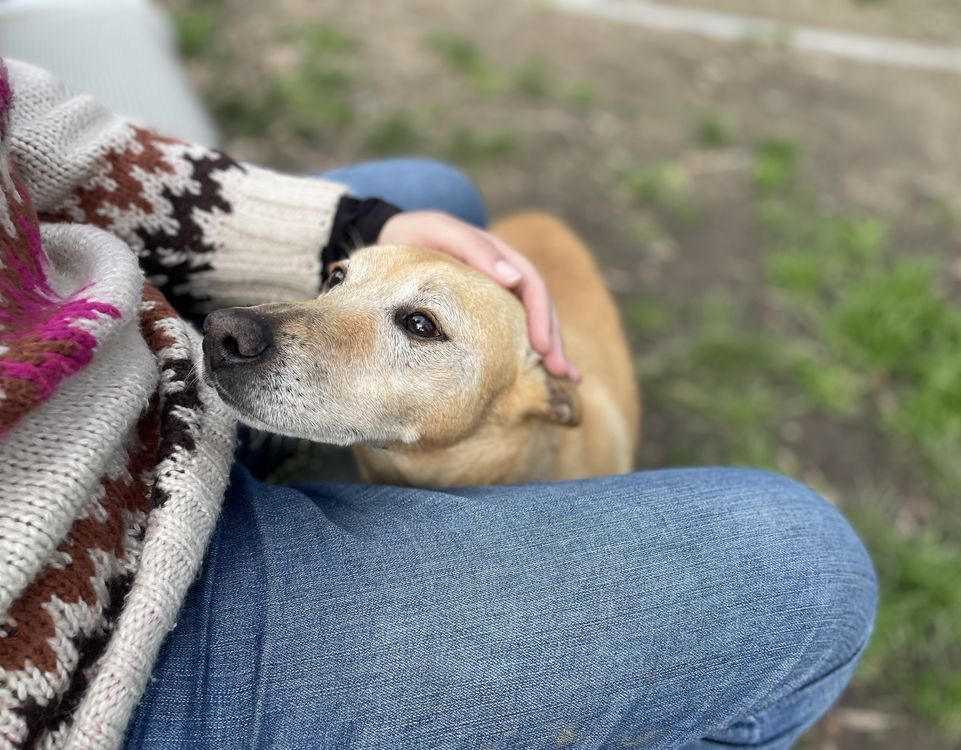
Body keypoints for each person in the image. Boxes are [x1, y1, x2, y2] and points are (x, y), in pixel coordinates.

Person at [0, 30, 876, 750]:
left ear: (542, 403)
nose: (259, 323)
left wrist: (358, 230)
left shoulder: (557, 421)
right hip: (76, 644)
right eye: (342, 279)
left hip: (127, 404)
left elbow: (39, 134)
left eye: (415, 326)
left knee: (435, 193)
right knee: (807, 568)